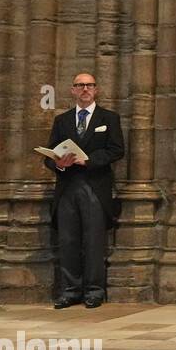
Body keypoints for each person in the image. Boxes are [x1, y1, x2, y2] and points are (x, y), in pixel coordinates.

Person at [44, 72, 126, 309]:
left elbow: (116, 150)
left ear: (96, 89)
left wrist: (87, 160)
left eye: (89, 85)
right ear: (72, 90)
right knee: (68, 240)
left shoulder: (108, 118)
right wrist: (59, 163)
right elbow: (49, 154)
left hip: (95, 186)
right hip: (67, 186)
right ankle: (70, 290)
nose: (85, 89)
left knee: (93, 240)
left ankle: (94, 290)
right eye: (80, 85)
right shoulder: (63, 120)